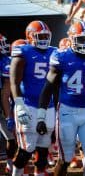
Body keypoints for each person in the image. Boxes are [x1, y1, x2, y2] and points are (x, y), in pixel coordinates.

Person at [36, 21, 85, 176]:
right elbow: (48, 88)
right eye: (82, 39)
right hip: (67, 112)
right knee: (65, 159)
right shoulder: (61, 57)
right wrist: (41, 116)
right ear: (72, 40)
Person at [10, 20, 56, 176]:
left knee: (43, 148)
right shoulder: (23, 52)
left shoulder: (54, 52)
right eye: (39, 35)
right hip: (28, 104)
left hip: (48, 106)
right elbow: (14, 82)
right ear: (30, 37)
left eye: (45, 36)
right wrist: (19, 105)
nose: (43, 39)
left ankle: (40, 174)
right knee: (27, 148)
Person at [0, 34, 17, 174]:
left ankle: (10, 165)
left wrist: (8, 114)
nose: (5, 46)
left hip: (3, 102)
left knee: (12, 138)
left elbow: (7, 91)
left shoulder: (6, 61)